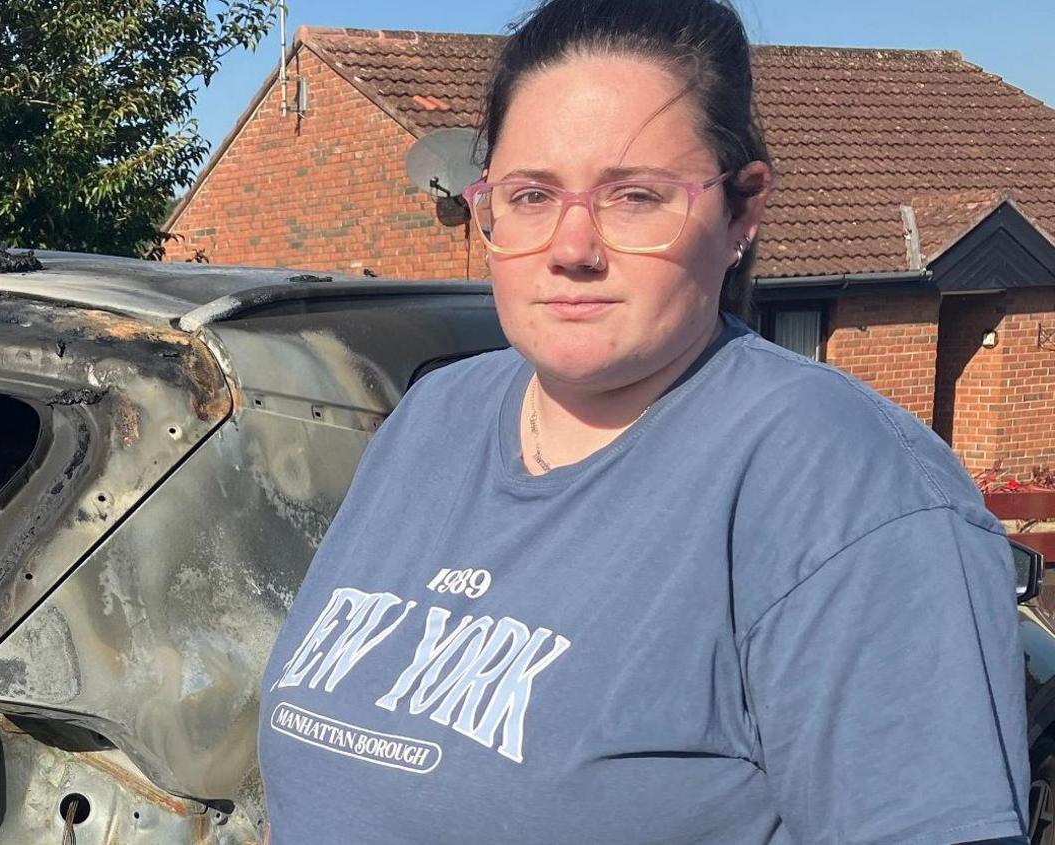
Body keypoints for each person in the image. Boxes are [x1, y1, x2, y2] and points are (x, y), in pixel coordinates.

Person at [257, 0, 1030, 842]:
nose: (572, 246)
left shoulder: (843, 489)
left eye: (634, 196)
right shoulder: (434, 417)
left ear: (743, 211)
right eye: (529, 194)